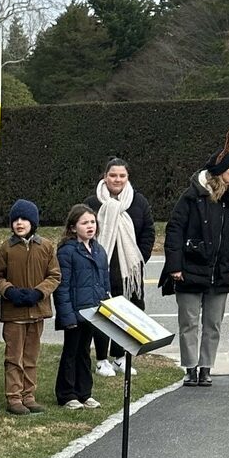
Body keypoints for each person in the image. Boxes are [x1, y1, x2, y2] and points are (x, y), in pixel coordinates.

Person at [162, 127, 229, 388]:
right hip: (191, 268)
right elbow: (174, 229)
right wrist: (174, 266)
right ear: (221, 169)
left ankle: (206, 367)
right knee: (189, 321)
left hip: (220, 272)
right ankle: (189, 367)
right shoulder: (192, 197)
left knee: (213, 323)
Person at [84, 158, 155, 376]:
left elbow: (148, 233)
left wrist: (137, 259)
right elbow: (83, 230)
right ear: (105, 177)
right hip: (101, 270)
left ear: (127, 178)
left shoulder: (138, 202)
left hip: (128, 273)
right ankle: (102, 360)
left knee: (127, 313)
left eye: (122, 175)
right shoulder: (93, 202)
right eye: (113, 175)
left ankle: (121, 357)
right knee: (103, 313)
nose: (117, 179)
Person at [0, 199, 60, 415]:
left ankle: (28, 395)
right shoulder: (7, 248)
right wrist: (9, 291)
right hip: (14, 313)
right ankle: (13, 397)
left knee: (31, 356)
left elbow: (54, 275)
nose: (19, 223)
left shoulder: (46, 246)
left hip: (37, 311)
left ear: (33, 222)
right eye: (16, 220)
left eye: (24, 219)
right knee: (14, 357)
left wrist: (39, 292)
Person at [53, 206, 111, 410]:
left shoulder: (99, 250)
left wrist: (106, 305)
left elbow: (104, 282)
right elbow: (62, 287)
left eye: (92, 222)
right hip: (75, 312)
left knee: (85, 352)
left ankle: (84, 392)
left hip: (93, 312)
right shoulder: (67, 252)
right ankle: (67, 393)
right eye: (84, 223)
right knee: (71, 352)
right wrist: (67, 316)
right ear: (72, 227)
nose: (90, 226)